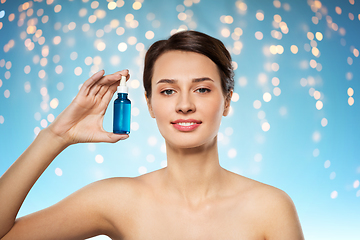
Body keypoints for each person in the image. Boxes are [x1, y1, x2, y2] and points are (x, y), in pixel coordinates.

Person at [0, 30, 304, 240]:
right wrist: (56, 136)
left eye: (202, 89)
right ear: (149, 104)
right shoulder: (117, 200)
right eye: (168, 91)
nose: (185, 105)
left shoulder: (270, 207)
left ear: (226, 101)